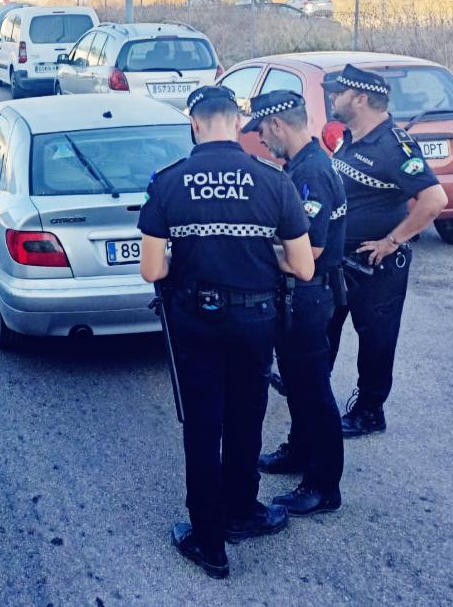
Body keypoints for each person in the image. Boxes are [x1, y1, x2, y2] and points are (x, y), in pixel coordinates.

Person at [138, 85, 315, 579]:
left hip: (195, 322)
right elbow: (302, 267)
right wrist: (259, 253)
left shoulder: (169, 182)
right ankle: (242, 509)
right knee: (245, 416)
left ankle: (209, 540)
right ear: (237, 122)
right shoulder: (273, 181)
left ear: (194, 123)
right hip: (256, 321)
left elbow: (152, 270)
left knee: (202, 425)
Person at [322, 65, 448, 437]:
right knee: (324, 327)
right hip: (339, 260)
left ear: (359, 99)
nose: (332, 97)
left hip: (375, 266)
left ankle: (369, 412)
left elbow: (434, 200)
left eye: (338, 92)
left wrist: (393, 240)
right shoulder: (351, 137)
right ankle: (312, 389)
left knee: (376, 340)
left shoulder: (394, 145)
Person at [247, 90, 346, 516]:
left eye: (262, 133)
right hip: (302, 296)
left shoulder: (312, 173)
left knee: (313, 391)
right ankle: (299, 451)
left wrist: (252, 250)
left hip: (309, 296)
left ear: (276, 125)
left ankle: (322, 486)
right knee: (300, 385)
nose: (261, 143)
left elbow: (312, 251)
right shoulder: (302, 165)